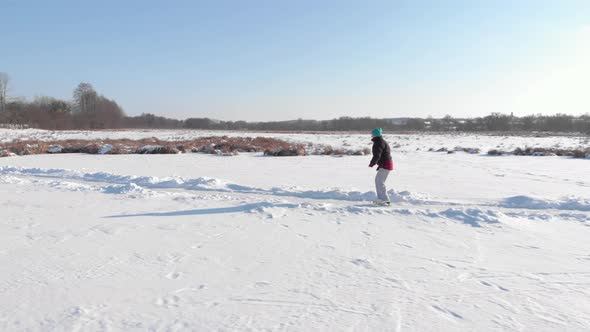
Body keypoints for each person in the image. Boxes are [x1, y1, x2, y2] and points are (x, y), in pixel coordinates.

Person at [368, 128, 394, 205]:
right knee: (379, 181)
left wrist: (372, 163)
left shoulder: (378, 143)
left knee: (379, 181)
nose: (371, 135)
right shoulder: (380, 141)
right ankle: (382, 198)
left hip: (386, 164)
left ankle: (384, 199)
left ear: (375, 135)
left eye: (372, 134)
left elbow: (377, 155)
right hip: (386, 163)